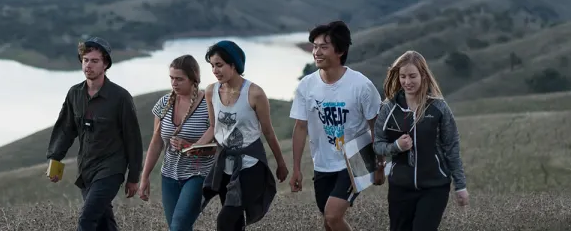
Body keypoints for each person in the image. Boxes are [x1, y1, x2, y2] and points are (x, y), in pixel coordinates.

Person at [288, 21, 385, 231]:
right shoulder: (307, 85)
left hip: (355, 159)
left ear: (340, 50)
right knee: (328, 222)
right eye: (314, 46)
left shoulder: (361, 85)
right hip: (322, 163)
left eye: (324, 47)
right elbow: (301, 127)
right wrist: (296, 168)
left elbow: (376, 127)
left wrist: (379, 165)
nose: (316, 52)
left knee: (332, 216)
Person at [46, 36, 144, 231]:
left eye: (94, 61)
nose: (88, 65)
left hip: (111, 169)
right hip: (86, 168)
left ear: (105, 64)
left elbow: (133, 139)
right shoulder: (74, 94)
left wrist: (134, 176)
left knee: (87, 220)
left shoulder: (120, 97)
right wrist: (55, 159)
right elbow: (66, 129)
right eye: (85, 60)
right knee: (103, 224)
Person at [373, 50, 469, 231]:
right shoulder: (388, 108)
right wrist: (396, 147)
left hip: (434, 187)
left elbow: (452, 148)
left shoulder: (439, 107)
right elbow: (377, 145)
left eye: (412, 76)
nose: (407, 82)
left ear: (423, 75)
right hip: (400, 188)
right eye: (403, 77)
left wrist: (460, 186)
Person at [199, 40, 289, 231]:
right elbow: (214, 127)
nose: (215, 70)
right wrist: (195, 147)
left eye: (220, 65)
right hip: (224, 166)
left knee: (225, 220)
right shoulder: (211, 91)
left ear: (234, 64)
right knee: (235, 222)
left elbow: (268, 131)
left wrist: (280, 163)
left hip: (250, 166)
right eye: (212, 66)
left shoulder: (255, 93)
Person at [137, 55, 216, 231]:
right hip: (169, 176)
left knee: (179, 226)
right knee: (176, 228)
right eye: (172, 78)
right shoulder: (164, 103)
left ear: (193, 78)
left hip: (198, 175)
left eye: (179, 79)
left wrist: (191, 147)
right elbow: (156, 142)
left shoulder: (209, 104)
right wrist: (145, 177)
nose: (174, 83)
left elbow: (217, 148)